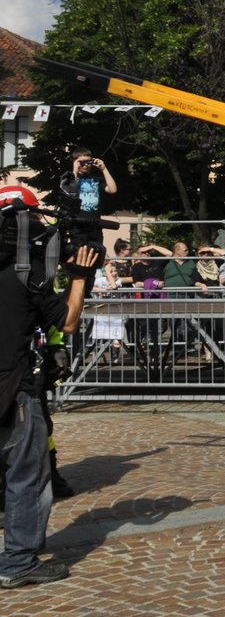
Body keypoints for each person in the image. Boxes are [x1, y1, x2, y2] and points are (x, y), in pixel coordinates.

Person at [0, 185, 100, 588]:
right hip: (14, 388)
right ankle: (18, 561)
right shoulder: (28, 272)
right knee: (26, 475)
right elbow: (69, 322)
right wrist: (78, 276)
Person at [52, 147, 118, 247]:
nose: (86, 166)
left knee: (96, 254)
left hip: (95, 226)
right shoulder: (68, 178)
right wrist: (75, 169)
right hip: (77, 226)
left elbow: (112, 190)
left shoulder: (96, 179)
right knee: (79, 255)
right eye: (82, 162)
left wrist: (104, 169)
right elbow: (70, 189)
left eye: (88, 162)